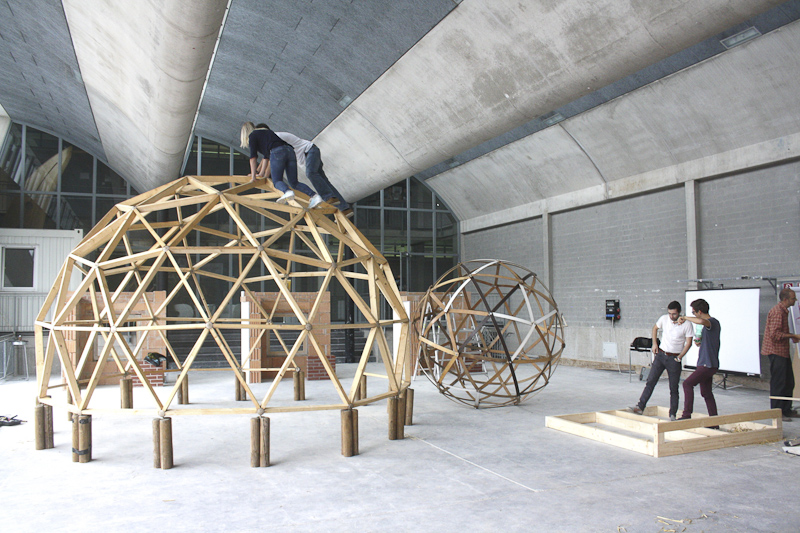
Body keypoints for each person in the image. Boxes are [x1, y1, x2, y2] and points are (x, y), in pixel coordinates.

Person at [255, 125, 352, 215]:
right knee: (324, 182)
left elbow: (269, 161)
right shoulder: (272, 142)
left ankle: (328, 197)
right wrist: (257, 172)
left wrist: (263, 176)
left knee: (311, 173)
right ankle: (345, 209)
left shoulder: (276, 137)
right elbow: (266, 159)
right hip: (309, 155)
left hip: (310, 151)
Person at [629, 301, 693, 420]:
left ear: (679, 312)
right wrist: (654, 344)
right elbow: (655, 328)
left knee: (673, 388)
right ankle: (640, 406)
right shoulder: (664, 319)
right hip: (661, 355)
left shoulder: (687, 324)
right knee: (650, 381)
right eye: (669, 313)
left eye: (674, 314)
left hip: (674, 358)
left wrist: (680, 357)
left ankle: (672, 414)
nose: (671, 316)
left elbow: (689, 343)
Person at [239, 122, 321, 205]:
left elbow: (253, 158)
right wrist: (261, 174)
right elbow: (266, 156)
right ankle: (314, 196)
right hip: (290, 151)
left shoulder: (252, 136)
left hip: (277, 152)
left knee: (277, 181)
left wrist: (253, 177)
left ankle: (287, 192)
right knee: (294, 183)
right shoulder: (266, 132)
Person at [676, 299, 720, 420]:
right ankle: (714, 421)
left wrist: (684, 317)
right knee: (706, 393)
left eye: (694, 312)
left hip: (707, 364)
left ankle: (686, 414)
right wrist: (700, 342)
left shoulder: (712, 322)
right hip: (705, 363)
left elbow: (701, 321)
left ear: (699, 312)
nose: (694, 315)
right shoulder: (707, 326)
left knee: (687, 384)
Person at [762, 288, 800, 422]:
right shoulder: (778, 312)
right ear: (785, 299)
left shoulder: (784, 311)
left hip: (783, 351)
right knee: (779, 383)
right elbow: (775, 334)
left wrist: (791, 336)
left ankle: (786, 409)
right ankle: (777, 412)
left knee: (789, 382)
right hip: (776, 352)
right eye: (793, 298)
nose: (795, 300)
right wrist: (793, 336)